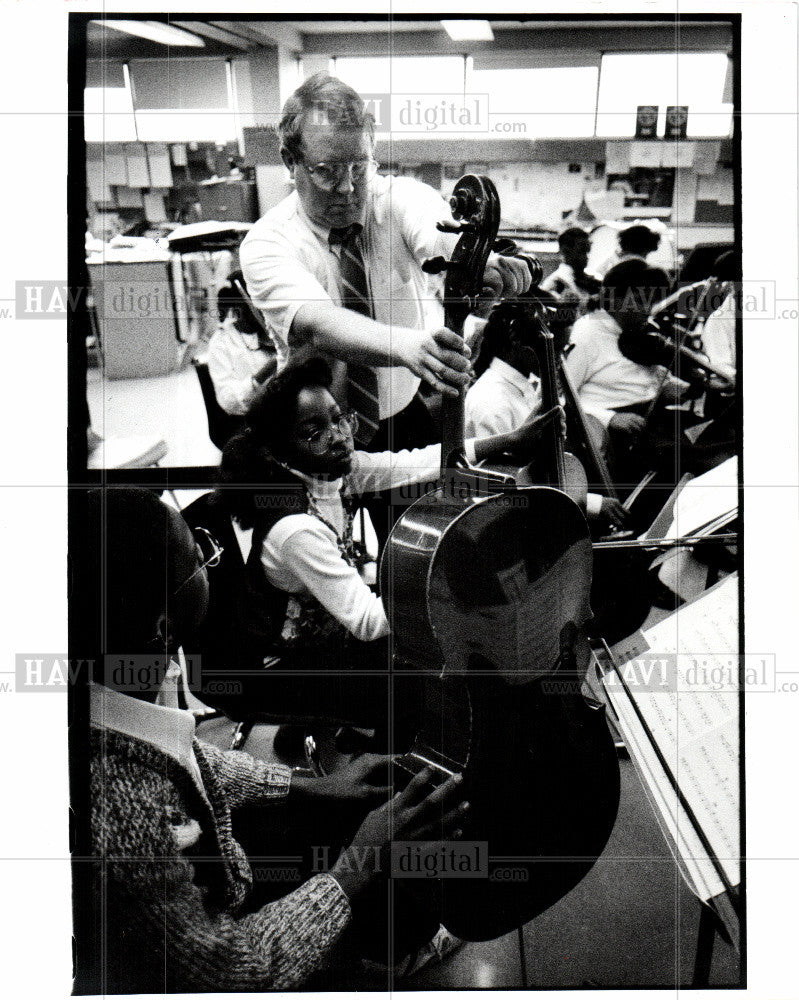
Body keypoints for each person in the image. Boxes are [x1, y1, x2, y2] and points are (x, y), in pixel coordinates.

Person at [73, 487, 469, 993]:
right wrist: (359, 862)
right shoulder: (119, 810)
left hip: (215, 867)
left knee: (340, 810)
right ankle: (381, 957)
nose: (211, 564)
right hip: (223, 954)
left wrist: (302, 785)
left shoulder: (125, 675)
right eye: (199, 560)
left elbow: (187, 759)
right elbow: (227, 970)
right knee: (366, 845)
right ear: (159, 620)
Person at [240, 73, 532, 455]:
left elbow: (438, 234)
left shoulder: (399, 198)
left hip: (403, 414)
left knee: (421, 510)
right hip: (313, 431)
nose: (347, 188)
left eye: (359, 167)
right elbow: (318, 325)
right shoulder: (267, 241)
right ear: (290, 161)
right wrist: (409, 348)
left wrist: (483, 264)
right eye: (327, 171)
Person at [217, 357, 561, 661]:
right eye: (314, 432)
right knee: (426, 667)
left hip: (331, 625)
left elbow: (415, 463)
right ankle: (366, 734)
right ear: (280, 452)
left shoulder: (332, 473)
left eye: (339, 420)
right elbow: (366, 622)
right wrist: (453, 585)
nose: (338, 437)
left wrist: (511, 440)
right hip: (291, 657)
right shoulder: (295, 530)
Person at [465, 300, 628, 530]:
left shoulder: (528, 388)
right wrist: (591, 503)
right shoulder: (492, 400)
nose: (559, 361)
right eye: (553, 350)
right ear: (519, 340)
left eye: (564, 350)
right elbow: (507, 489)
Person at [564, 259, 689, 481]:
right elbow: (560, 400)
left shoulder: (638, 332)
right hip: (615, 438)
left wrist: (669, 386)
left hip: (653, 422)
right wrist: (610, 418)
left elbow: (646, 374)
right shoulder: (587, 334)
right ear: (613, 298)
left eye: (652, 302)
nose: (647, 312)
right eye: (640, 302)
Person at [206, 270, 278, 416]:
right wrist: (264, 373)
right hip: (252, 419)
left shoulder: (274, 332)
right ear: (242, 306)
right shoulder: (221, 343)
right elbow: (228, 401)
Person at [540, 227, 600, 316]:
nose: (587, 257)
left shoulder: (593, 278)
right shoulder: (555, 282)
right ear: (565, 251)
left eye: (588, 252)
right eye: (582, 251)